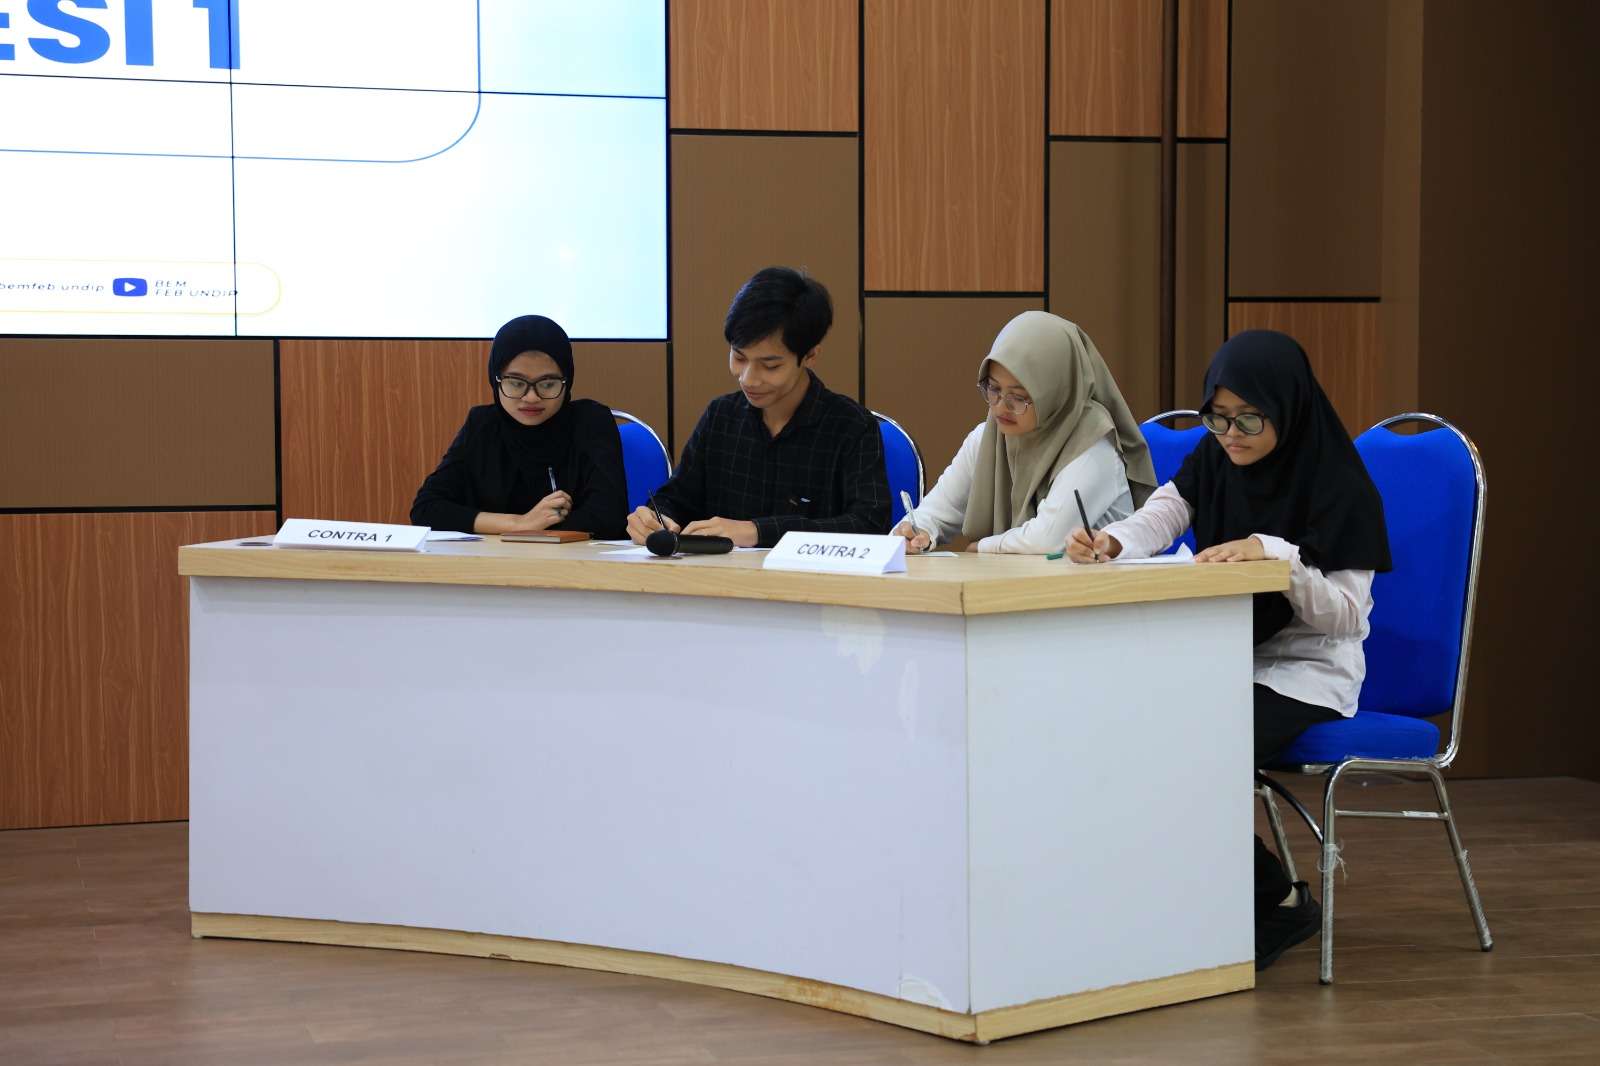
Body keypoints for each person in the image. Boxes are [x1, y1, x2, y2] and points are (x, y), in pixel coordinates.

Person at [1066, 330, 1391, 971]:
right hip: (1226, 657)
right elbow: (1164, 512)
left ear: (1287, 409)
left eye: (1248, 419)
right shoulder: (1217, 455)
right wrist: (1111, 542)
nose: (1230, 434)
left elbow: (1348, 617)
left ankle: (1273, 901)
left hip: (1308, 672)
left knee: (1190, 751)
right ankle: (1223, 899)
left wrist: (1277, 556)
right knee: (1124, 736)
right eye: (1217, 417)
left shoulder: (1339, 482)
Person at [625, 267, 890, 548]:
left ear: (810, 355)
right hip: (719, 576)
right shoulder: (721, 416)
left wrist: (757, 532)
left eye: (770, 366)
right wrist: (655, 517)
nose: (748, 379)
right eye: (739, 358)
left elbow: (870, 524)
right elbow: (678, 497)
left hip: (811, 575)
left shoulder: (851, 426)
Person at [890, 311, 1155, 554]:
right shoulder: (987, 439)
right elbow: (936, 511)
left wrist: (982, 547)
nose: (1000, 407)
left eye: (1018, 397)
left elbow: (1047, 539)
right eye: (993, 389)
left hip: (1096, 589)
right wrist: (918, 532)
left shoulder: (1095, 444)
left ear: (1055, 392)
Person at [411, 315, 627, 537]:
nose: (531, 397)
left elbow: (608, 518)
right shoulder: (482, 425)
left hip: (576, 558)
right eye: (516, 383)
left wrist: (529, 527)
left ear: (567, 380)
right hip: (495, 558)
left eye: (547, 384)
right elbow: (426, 509)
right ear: (496, 379)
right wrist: (518, 523)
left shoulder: (591, 422)